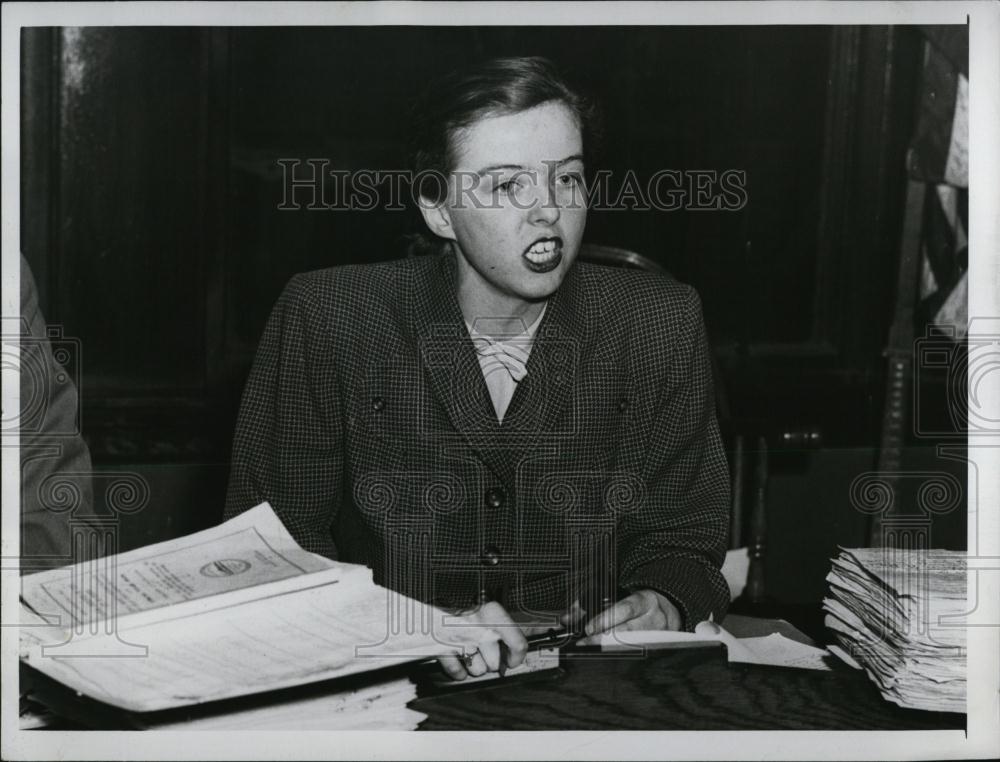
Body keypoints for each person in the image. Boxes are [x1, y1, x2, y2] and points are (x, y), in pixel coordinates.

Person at [224, 56, 730, 680]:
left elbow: (684, 539)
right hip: (379, 679)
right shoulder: (331, 317)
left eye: (567, 180)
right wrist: (402, 630)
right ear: (438, 211)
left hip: (583, 683)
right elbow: (276, 553)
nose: (548, 211)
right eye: (505, 186)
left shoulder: (658, 322)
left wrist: (663, 602)